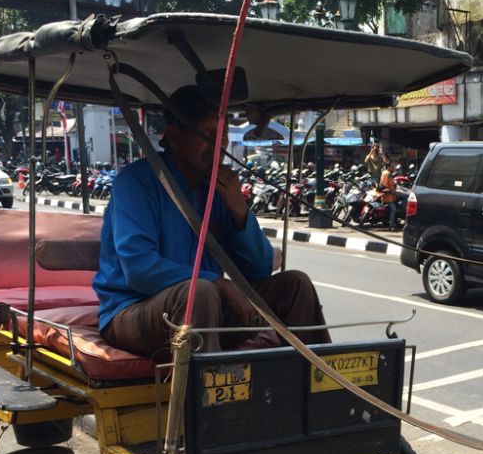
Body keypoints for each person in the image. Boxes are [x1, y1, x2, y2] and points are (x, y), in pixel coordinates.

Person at [93, 84, 330, 359]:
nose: (219, 145)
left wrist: (239, 211)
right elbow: (139, 269)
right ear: (175, 137)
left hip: (206, 309)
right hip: (132, 311)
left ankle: (320, 376)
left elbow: (259, 269)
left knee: (295, 285)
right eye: (207, 134)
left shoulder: (218, 189)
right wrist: (218, 283)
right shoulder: (136, 182)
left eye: (224, 135)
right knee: (200, 292)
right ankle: (208, 383)